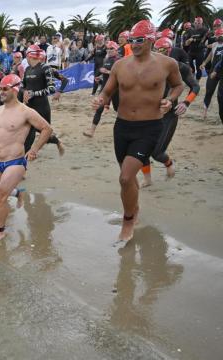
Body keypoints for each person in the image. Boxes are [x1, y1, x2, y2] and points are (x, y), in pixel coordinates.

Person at [92, 20, 183, 242]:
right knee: (128, 177)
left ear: (151, 40)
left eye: (139, 40)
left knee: (124, 178)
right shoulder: (120, 65)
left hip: (150, 127)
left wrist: (170, 100)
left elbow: (179, 85)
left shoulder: (167, 64)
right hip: (122, 127)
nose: (134, 44)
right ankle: (134, 208)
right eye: (132, 40)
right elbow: (107, 90)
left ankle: (128, 220)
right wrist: (100, 99)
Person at [0, 75, 53, 244]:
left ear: (14, 89)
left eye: (5, 89)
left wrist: (34, 149)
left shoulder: (26, 112)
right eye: (0, 89)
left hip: (16, 162)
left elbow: (47, 129)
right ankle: (18, 192)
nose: (0, 92)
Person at [138, 37, 200, 186]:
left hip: (168, 115)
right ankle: (147, 179)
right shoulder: (147, 66)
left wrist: (186, 103)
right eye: (158, 50)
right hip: (148, 112)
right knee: (140, 148)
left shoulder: (178, 67)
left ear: (169, 50)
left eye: (164, 50)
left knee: (157, 152)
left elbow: (195, 87)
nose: (160, 53)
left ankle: (168, 163)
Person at [21, 45, 65, 156]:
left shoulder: (46, 68)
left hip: (41, 106)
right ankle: (23, 159)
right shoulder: (27, 69)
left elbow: (51, 88)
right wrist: (24, 92)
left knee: (45, 133)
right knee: (27, 133)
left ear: (28, 55)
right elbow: (22, 86)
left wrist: (59, 91)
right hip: (29, 106)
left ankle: (57, 141)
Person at [84, 41, 121, 137]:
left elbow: (121, 75)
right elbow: (105, 72)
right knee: (99, 109)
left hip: (116, 89)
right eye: (108, 48)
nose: (109, 50)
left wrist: (107, 72)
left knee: (119, 110)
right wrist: (99, 77)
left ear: (116, 49)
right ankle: (91, 131)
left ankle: (123, 130)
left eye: (111, 48)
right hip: (105, 88)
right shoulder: (107, 59)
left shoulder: (119, 60)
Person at [201, 28, 223, 120]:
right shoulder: (214, 45)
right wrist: (204, 63)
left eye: (220, 35)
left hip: (221, 71)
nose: (219, 37)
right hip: (213, 71)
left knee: (221, 95)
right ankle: (205, 112)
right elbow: (210, 55)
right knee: (209, 91)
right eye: (217, 36)